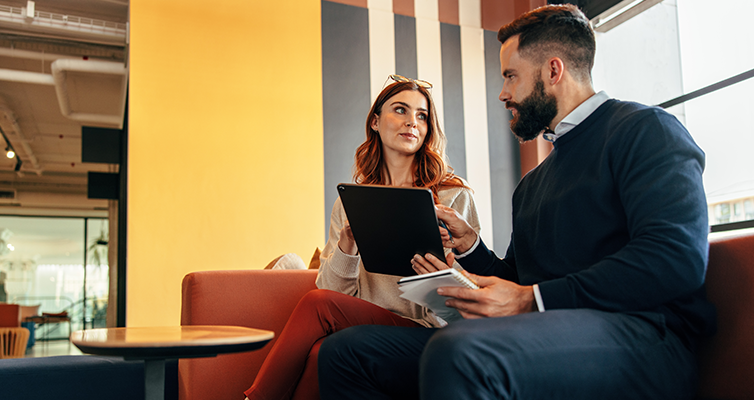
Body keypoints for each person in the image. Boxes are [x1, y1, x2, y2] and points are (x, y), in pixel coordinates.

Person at [317, 5, 716, 400]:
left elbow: (674, 258)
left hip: (646, 338)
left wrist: (533, 300)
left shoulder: (645, 130)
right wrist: (471, 246)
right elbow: (518, 277)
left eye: (511, 76)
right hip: (548, 330)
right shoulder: (533, 183)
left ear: (553, 71)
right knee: (346, 353)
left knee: (459, 351)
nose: (503, 93)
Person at [243, 75, 480, 400]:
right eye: (400, 110)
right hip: (362, 323)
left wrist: (442, 271)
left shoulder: (452, 197)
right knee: (318, 334)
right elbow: (333, 291)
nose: (412, 122)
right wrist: (346, 247)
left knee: (317, 305)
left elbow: (474, 286)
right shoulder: (350, 203)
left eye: (422, 116)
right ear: (375, 121)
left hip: (426, 329)